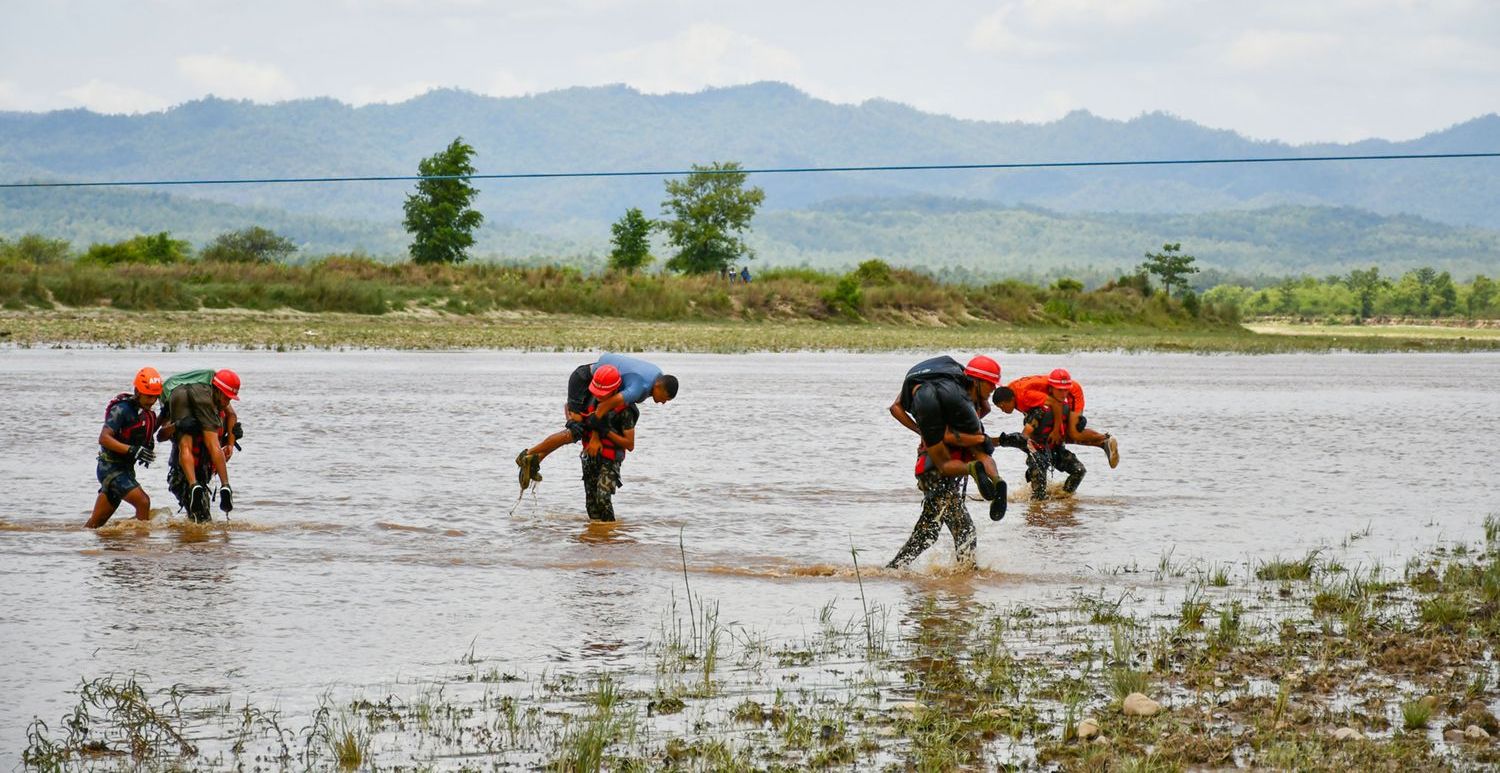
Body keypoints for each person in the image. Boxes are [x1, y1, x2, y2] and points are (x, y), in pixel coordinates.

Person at [886, 355, 1006, 569]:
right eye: (991, 385)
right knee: (963, 529)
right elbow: (965, 442)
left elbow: (974, 442)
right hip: (935, 472)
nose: (992, 391)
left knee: (927, 533)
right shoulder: (959, 406)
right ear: (977, 382)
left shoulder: (957, 403)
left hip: (939, 473)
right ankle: (965, 581)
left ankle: (895, 571)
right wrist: (922, 430)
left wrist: (1004, 441)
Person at [516, 354, 678, 491]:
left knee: (578, 429)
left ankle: (533, 461)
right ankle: (527, 455)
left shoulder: (658, 376)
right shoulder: (639, 386)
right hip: (584, 380)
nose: (663, 402)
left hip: (599, 382)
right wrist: (594, 436)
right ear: (658, 386)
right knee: (575, 430)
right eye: (665, 398)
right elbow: (603, 408)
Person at [158, 369, 241, 522]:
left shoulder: (218, 409)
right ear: (214, 390)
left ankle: (190, 543)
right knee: (202, 520)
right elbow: (160, 435)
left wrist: (230, 439)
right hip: (180, 475)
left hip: (201, 473)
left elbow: (231, 416)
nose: (226, 403)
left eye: (229, 400)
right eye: (226, 399)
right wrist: (178, 426)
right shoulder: (200, 405)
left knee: (199, 523)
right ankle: (224, 485)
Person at [992, 368, 1119, 468]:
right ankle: (1103, 444)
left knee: (1073, 433)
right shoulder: (1010, 392)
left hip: (1069, 392)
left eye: (1002, 406)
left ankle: (1105, 438)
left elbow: (1054, 402)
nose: (1003, 410)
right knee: (1056, 438)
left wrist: (1056, 429)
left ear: (1009, 400)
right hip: (1057, 395)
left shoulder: (1024, 396)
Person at [87, 367, 163, 528]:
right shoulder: (121, 409)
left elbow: (146, 434)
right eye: (148, 396)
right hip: (110, 469)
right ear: (137, 391)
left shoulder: (147, 413)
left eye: (155, 397)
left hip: (126, 471)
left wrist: (145, 451)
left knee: (94, 526)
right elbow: (104, 438)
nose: (152, 401)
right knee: (143, 501)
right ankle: (140, 548)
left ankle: (83, 548)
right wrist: (132, 450)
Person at [579, 397, 640, 522]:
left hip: (610, 459)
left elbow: (630, 444)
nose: (601, 395)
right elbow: (569, 407)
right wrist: (572, 423)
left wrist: (605, 430)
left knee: (603, 498)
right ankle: (597, 536)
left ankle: (610, 533)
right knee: (591, 505)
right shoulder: (589, 400)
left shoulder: (625, 411)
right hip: (590, 456)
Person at [1016, 400, 1088, 500]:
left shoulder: (1068, 412)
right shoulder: (1039, 413)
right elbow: (1023, 438)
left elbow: (1079, 436)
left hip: (1057, 451)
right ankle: (1036, 506)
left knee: (1079, 470)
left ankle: (1063, 499)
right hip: (1038, 453)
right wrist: (1034, 453)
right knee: (1039, 496)